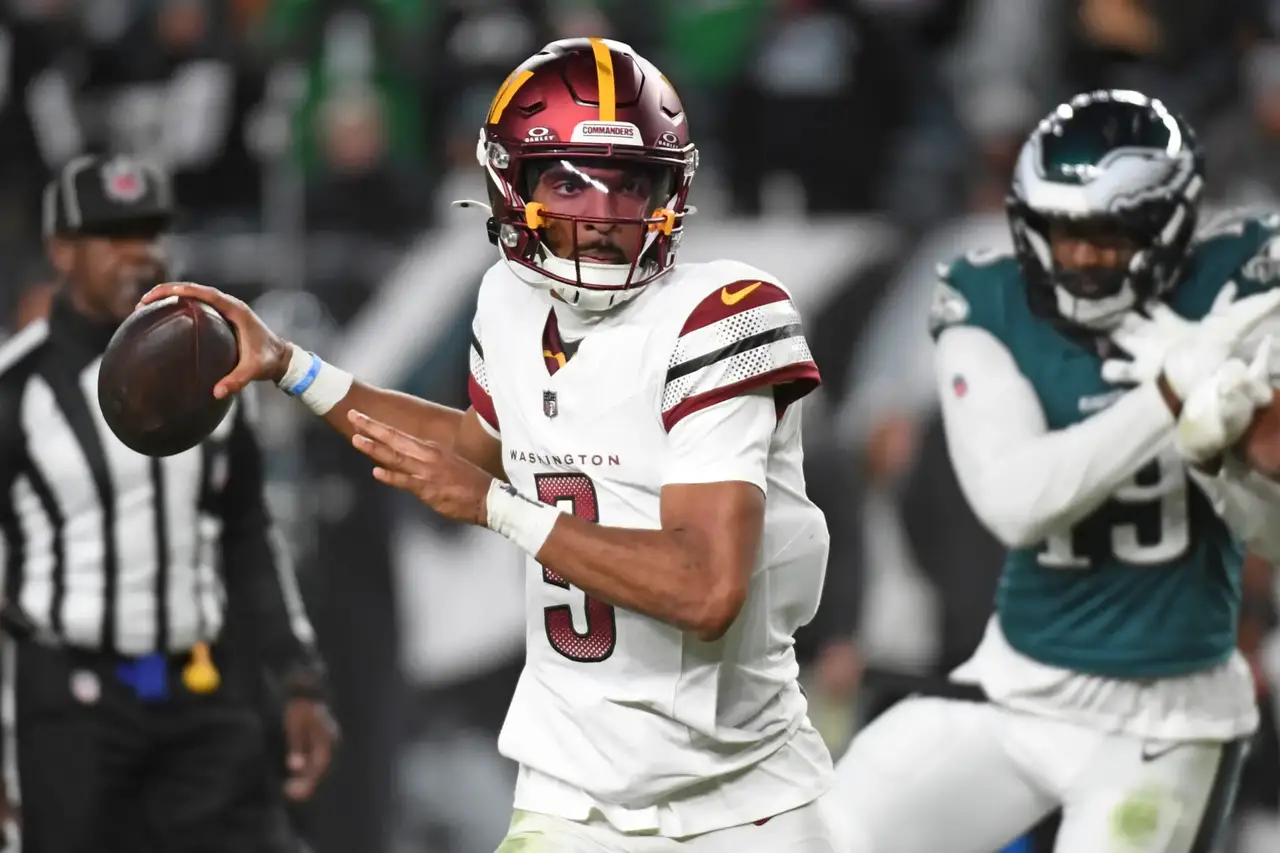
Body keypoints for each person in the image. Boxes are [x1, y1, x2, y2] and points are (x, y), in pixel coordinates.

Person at [141, 37, 840, 853]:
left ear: (670, 189)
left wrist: (498, 511)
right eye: (570, 181)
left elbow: (706, 587)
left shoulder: (724, 315)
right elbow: (477, 446)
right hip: (573, 789)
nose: (605, 215)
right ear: (513, 184)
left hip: (732, 798)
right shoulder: (510, 303)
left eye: (630, 183)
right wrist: (294, 370)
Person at [831, 89, 1280, 853]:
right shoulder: (989, 299)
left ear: (1167, 225)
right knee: (825, 829)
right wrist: (1170, 396)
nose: (1077, 256)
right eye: (1060, 231)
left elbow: (1266, 529)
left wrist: (1233, 456)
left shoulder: (1243, 292)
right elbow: (1017, 501)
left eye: (1104, 235)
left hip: (1165, 718)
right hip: (1017, 687)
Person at [0, 153, 336, 853]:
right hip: (72, 707)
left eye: (151, 232)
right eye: (112, 234)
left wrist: (298, 673)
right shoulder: (17, 387)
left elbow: (247, 533)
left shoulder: (216, 370)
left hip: (200, 689)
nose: (139, 253)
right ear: (62, 250)